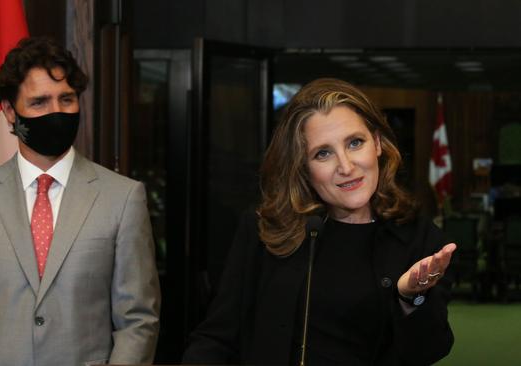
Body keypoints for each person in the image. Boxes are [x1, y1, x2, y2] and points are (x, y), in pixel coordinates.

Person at [182, 78, 456, 365]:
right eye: (323, 153)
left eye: (355, 143)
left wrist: (410, 298)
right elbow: (217, 337)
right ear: (303, 166)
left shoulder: (419, 237)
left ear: (377, 143)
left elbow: (430, 350)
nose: (346, 167)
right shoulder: (265, 229)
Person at [0, 37, 160, 366]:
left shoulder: (123, 198)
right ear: (10, 111)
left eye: (66, 99)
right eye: (39, 102)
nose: (56, 112)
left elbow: (138, 321)